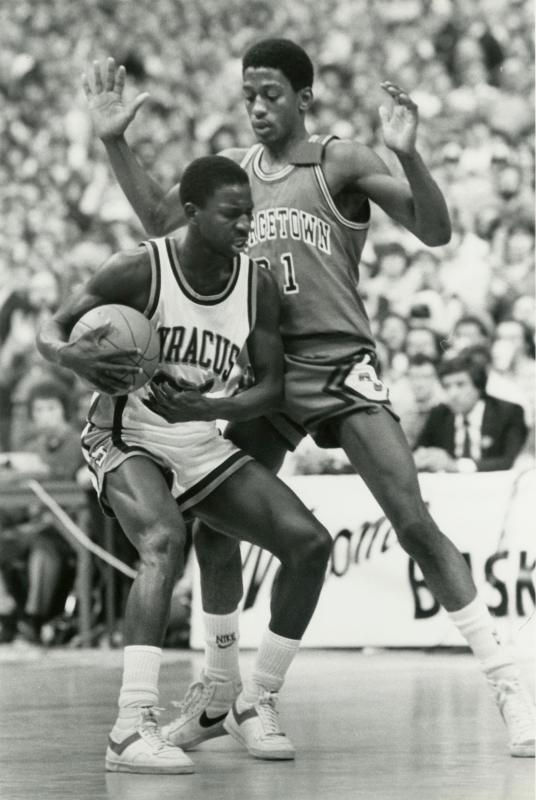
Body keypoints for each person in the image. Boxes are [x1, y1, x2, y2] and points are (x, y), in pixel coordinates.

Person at [83, 39, 534, 758]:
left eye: (271, 94)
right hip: (264, 372)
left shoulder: (340, 160)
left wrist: (410, 155)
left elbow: (436, 229)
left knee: (413, 520)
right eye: (248, 95)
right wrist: (115, 142)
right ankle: (223, 693)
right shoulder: (233, 175)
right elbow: (159, 220)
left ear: (304, 97)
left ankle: (508, 679)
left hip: (338, 363)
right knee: (217, 527)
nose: (258, 107)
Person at [37, 155, 332, 773]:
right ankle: (129, 727)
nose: (246, 224)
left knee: (309, 544)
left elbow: (272, 387)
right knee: (163, 538)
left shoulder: (256, 284)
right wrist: (73, 359)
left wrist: (212, 403)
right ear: (192, 214)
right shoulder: (140, 269)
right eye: (232, 214)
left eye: (251, 212)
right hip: (126, 431)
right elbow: (52, 327)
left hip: (197, 435)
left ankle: (256, 697)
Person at [414, 354, 527, 473]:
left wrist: (456, 466)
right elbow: (418, 451)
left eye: (460, 384)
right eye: (447, 386)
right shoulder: (440, 414)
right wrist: (424, 457)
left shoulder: (508, 412)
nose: (453, 393)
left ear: (478, 386)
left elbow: (511, 460)